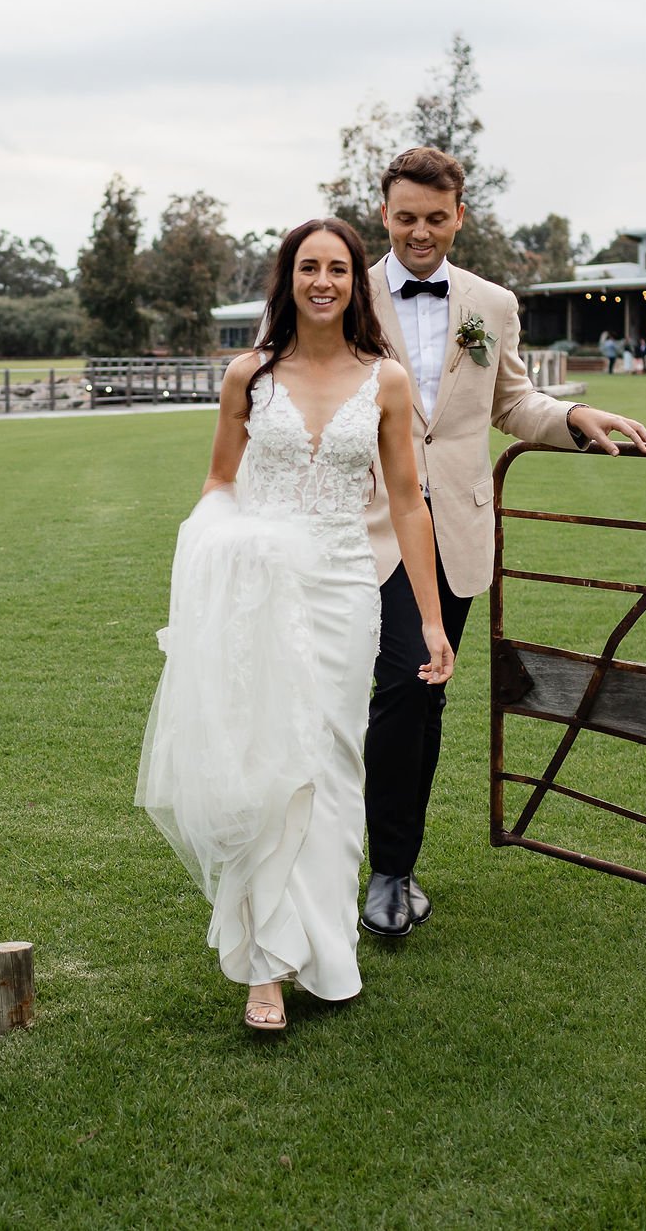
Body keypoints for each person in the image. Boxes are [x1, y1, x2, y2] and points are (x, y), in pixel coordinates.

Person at [138, 217, 453, 1032]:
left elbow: (409, 503)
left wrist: (429, 619)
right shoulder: (250, 374)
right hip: (262, 592)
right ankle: (265, 967)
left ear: (355, 283)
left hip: (347, 590)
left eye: (339, 269)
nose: (324, 281)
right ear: (288, 279)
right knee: (268, 765)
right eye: (309, 267)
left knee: (335, 763)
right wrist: (227, 548)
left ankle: (326, 950)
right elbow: (218, 481)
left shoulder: (385, 380)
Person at [359, 147, 646, 938]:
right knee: (396, 685)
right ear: (383, 214)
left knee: (422, 696)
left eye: (435, 217)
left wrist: (571, 421)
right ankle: (381, 868)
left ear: (459, 215)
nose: (420, 232)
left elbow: (512, 400)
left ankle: (395, 864)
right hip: (362, 525)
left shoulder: (491, 303)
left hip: (454, 527)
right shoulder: (340, 291)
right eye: (405, 217)